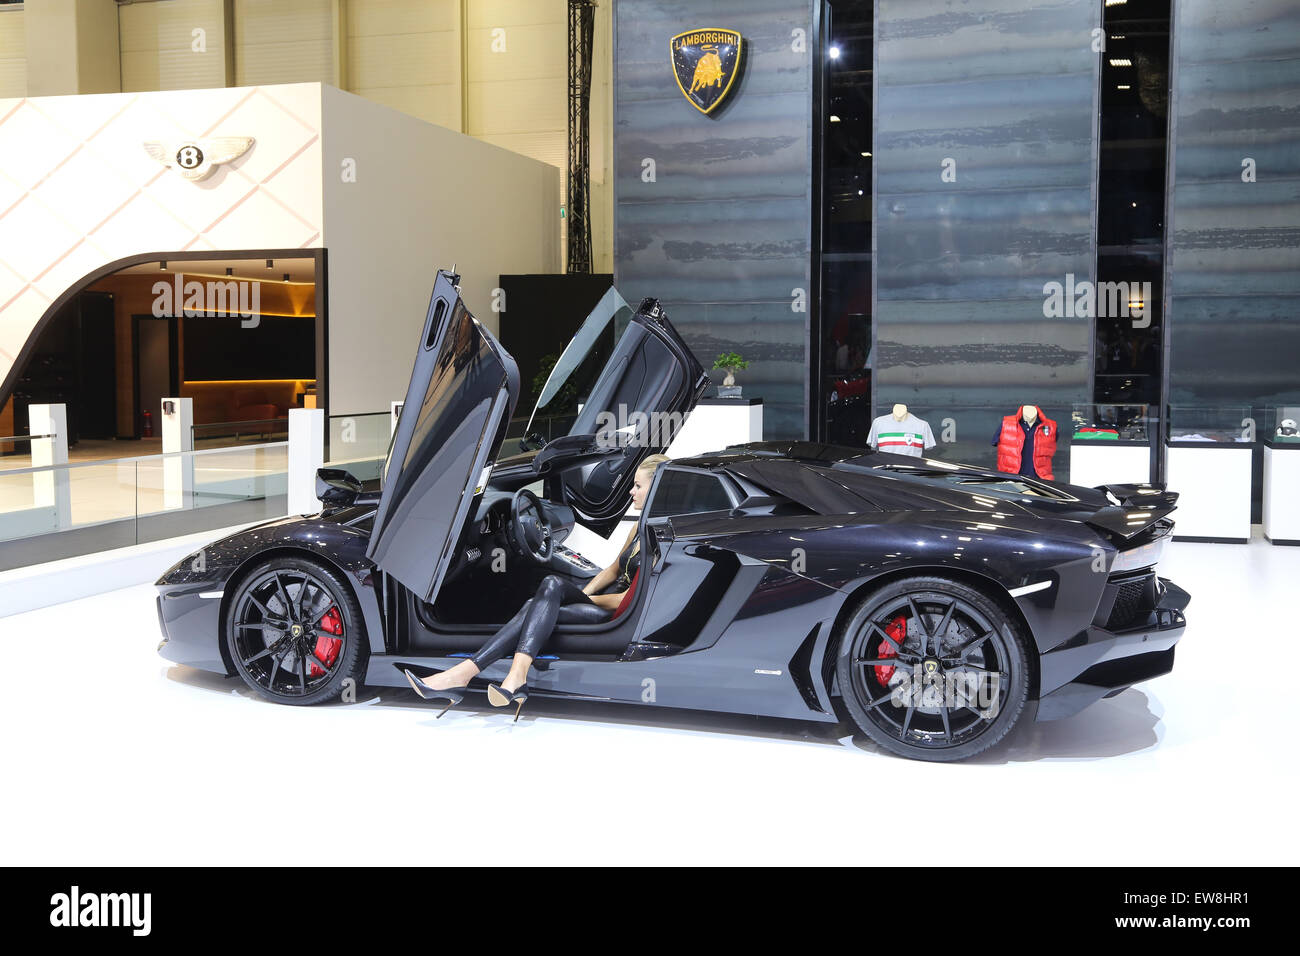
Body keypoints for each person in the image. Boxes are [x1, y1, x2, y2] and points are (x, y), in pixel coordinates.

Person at [405, 453, 671, 719]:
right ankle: (493, 676)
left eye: (638, 486)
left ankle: (471, 676)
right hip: (605, 600)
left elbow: (628, 598)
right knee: (537, 603)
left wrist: (575, 598)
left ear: (656, 487)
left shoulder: (659, 535)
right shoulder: (637, 528)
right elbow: (613, 570)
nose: (630, 491)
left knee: (551, 583)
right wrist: (581, 594)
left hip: (618, 610)